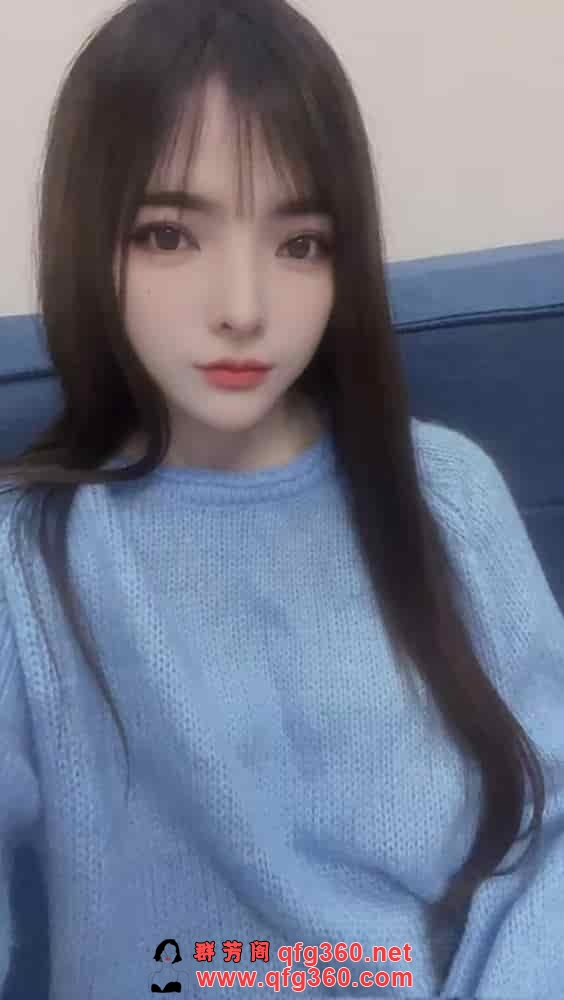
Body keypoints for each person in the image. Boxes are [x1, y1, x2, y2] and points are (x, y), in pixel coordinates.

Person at [0, 0, 563, 997]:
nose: (244, 308)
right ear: (89, 241)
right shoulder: (27, 556)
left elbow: (551, 824)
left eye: (300, 244)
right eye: (169, 235)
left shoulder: (444, 495)